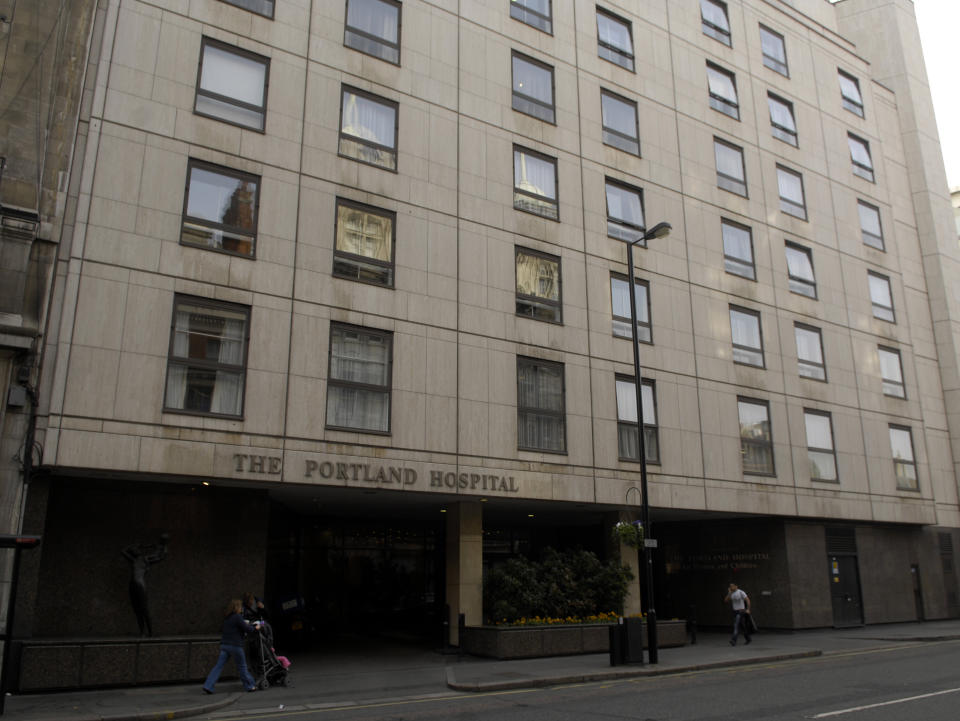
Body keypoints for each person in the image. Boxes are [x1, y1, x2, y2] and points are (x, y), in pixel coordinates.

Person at [202, 599, 259, 694]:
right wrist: (256, 628)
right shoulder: (238, 617)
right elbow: (247, 629)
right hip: (235, 645)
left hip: (225, 645)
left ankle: (208, 685)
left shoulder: (228, 617)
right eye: (241, 607)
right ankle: (250, 686)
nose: (242, 609)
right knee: (242, 667)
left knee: (218, 666)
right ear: (237, 607)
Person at [121, 533, 168, 636]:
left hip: (140, 584)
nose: (135, 549)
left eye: (137, 549)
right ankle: (142, 632)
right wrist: (139, 545)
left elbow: (160, 557)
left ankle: (150, 632)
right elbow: (123, 551)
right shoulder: (133, 560)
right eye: (134, 549)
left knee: (144, 609)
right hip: (132, 585)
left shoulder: (145, 559)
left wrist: (163, 546)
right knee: (137, 610)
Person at [724, 582, 752, 646]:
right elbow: (725, 601)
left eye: (732, 586)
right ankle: (748, 638)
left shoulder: (741, 592)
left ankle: (733, 640)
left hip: (741, 611)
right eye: (730, 586)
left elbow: (748, 600)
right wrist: (729, 593)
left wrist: (748, 609)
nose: (731, 587)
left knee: (736, 625)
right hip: (735, 612)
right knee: (742, 626)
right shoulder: (731, 593)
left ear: (736, 586)